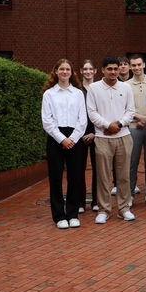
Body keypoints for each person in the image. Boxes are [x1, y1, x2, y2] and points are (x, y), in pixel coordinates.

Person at [86, 56, 136, 224]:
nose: (113, 72)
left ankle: (124, 208)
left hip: (124, 136)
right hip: (102, 138)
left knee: (124, 176)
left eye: (116, 69)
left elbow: (130, 110)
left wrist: (119, 124)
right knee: (103, 176)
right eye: (110, 69)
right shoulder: (94, 88)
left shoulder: (126, 87)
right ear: (103, 70)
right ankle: (103, 209)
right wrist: (107, 125)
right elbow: (92, 112)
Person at [41, 59, 87, 229]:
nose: (65, 72)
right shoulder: (49, 94)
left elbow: (82, 120)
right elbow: (47, 121)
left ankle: (73, 214)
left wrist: (73, 139)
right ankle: (59, 216)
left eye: (68, 69)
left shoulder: (78, 93)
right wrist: (62, 139)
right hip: (55, 138)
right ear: (56, 71)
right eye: (62, 69)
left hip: (75, 136)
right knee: (56, 177)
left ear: (71, 72)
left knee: (75, 176)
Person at [126, 54, 146, 205]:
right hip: (133, 127)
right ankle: (130, 193)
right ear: (130, 67)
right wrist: (139, 118)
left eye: (139, 64)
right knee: (132, 162)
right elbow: (124, 107)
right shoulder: (125, 85)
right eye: (134, 65)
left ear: (144, 65)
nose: (137, 68)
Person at [79, 59, 98, 212]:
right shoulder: (76, 89)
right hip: (80, 134)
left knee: (98, 169)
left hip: (97, 133)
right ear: (81, 71)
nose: (88, 71)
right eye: (85, 69)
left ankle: (96, 202)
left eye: (90, 69)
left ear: (95, 71)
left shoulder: (99, 89)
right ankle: (80, 202)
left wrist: (95, 133)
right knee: (79, 168)